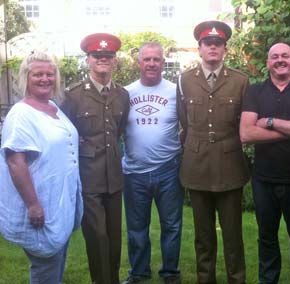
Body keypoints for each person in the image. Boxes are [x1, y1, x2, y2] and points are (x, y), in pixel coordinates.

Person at [176, 20, 250, 284]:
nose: (213, 49)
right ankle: (205, 279)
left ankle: (236, 279)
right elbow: (184, 120)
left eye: (218, 45)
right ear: (199, 49)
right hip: (196, 166)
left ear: (225, 50)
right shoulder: (185, 80)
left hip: (230, 165)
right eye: (208, 44)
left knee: (233, 235)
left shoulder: (240, 81)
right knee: (203, 235)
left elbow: (245, 120)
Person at [0, 52, 83, 284]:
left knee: (56, 260)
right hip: (41, 203)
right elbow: (15, 161)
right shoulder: (22, 114)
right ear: (26, 77)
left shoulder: (53, 107)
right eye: (38, 74)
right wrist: (33, 205)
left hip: (58, 201)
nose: (45, 79)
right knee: (45, 266)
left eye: (50, 74)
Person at [240, 42, 290, 284]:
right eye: (274, 57)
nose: (280, 60)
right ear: (267, 63)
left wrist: (271, 122)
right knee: (266, 239)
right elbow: (246, 134)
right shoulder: (255, 92)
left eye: (285, 56)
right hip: (264, 180)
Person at [60, 33, 130, 284]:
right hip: (88, 177)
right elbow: (64, 132)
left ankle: (111, 278)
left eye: (108, 56)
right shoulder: (73, 95)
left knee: (113, 236)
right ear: (88, 60)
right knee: (97, 236)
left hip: (114, 176)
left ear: (114, 61)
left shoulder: (122, 95)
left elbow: (118, 130)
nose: (103, 60)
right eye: (97, 56)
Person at [121, 42, 183, 284]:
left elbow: (188, 125)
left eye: (156, 59)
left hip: (168, 169)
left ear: (162, 62)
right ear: (139, 63)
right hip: (134, 171)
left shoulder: (175, 91)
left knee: (172, 225)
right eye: (146, 59)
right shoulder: (126, 93)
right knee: (136, 228)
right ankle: (138, 272)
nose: (151, 63)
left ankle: (170, 272)